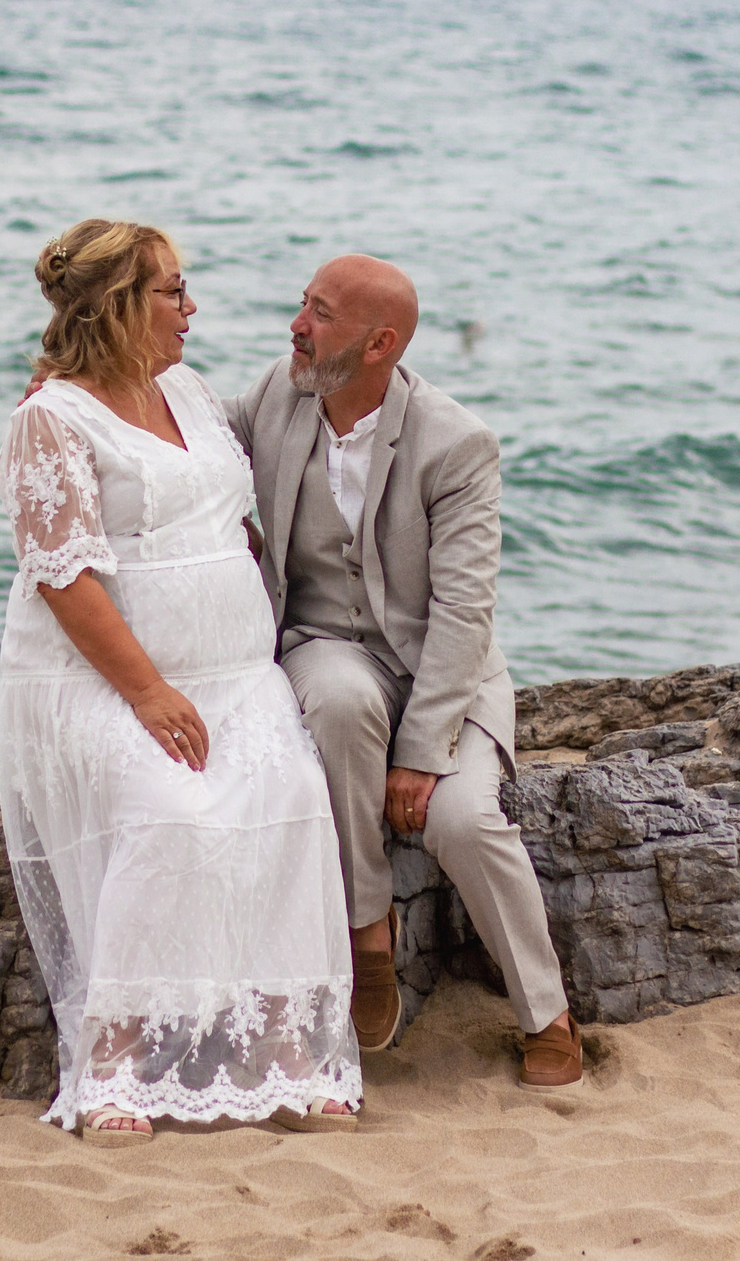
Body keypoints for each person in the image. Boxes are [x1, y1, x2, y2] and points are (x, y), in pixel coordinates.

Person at [0, 218, 362, 1144]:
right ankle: (115, 1061)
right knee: (171, 813)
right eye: (172, 292)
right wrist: (149, 692)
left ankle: (289, 1051)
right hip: (102, 681)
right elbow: (66, 577)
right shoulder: (50, 419)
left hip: (238, 679)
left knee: (289, 799)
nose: (191, 310)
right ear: (120, 306)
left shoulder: (190, 392)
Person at [225, 254, 583, 1088]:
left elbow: (464, 615)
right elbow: (178, 427)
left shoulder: (456, 444)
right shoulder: (278, 395)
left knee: (460, 821)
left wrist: (423, 752)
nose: (296, 325)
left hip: (441, 672)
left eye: (319, 312)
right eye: (302, 304)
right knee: (344, 704)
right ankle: (366, 931)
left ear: (380, 343)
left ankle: (549, 1014)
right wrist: (70, 393)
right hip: (326, 645)